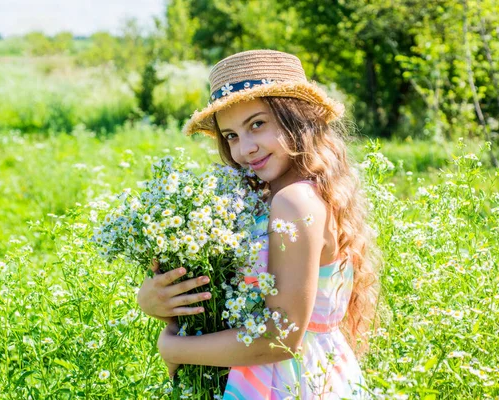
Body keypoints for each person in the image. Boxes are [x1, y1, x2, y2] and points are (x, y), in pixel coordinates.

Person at [137, 49, 377, 399]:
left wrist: (174, 349)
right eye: (231, 135)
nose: (244, 148)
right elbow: (229, 300)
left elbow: (280, 336)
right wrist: (154, 301)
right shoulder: (271, 198)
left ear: (296, 118)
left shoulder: (294, 201)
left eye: (257, 124)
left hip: (289, 383)